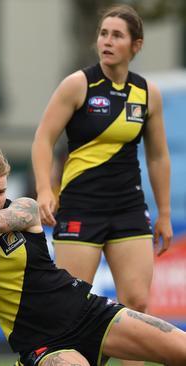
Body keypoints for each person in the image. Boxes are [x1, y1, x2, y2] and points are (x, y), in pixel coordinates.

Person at [0, 141, 186, 366]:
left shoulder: (24, 209)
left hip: (88, 312)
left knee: (180, 349)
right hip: (42, 344)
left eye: (1, 190)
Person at [31, 6, 172, 365]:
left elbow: (157, 157)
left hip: (128, 209)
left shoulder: (147, 93)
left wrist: (165, 213)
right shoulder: (79, 84)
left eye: (117, 35)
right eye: (103, 34)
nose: (107, 41)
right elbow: (43, 140)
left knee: (137, 306)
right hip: (80, 209)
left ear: (136, 45)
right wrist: (46, 191)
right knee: (73, 311)